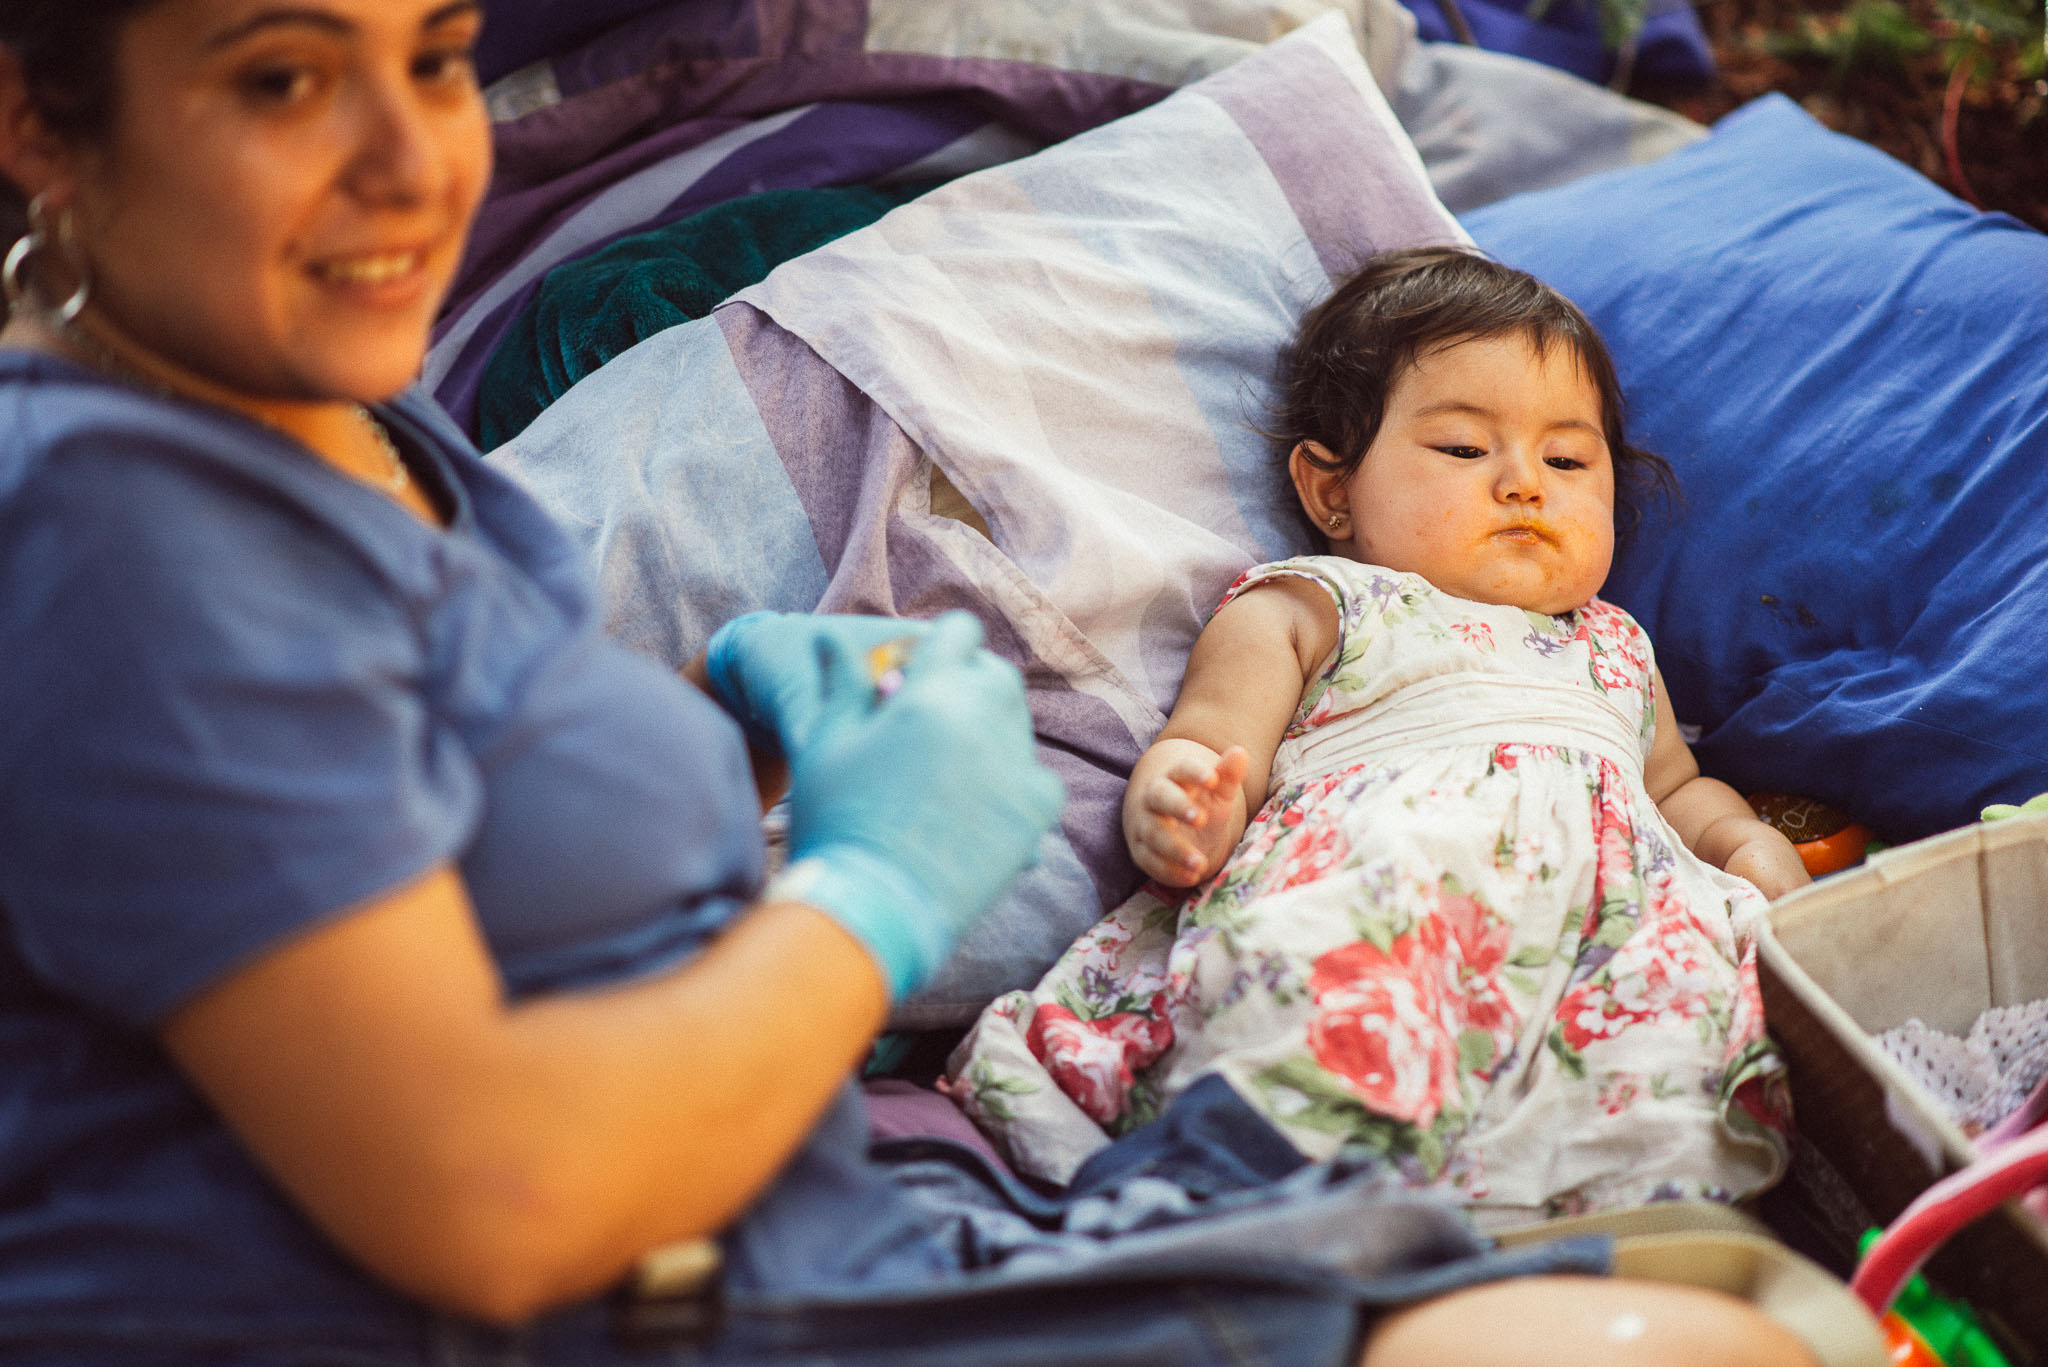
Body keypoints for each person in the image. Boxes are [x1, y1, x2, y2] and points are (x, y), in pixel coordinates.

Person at [0, 6, 1824, 1363]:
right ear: (37, 125)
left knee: (1726, 1303)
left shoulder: (348, 433)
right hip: (650, 1289)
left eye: (432, 56)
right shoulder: (121, 524)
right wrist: (864, 887)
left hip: (806, 1229)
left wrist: (738, 789)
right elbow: (495, 1197)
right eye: (280, 78)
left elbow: (405, 864)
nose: (416, 165)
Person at [950, 247, 1813, 1225]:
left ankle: (1583, 1241)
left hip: (1605, 950)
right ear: (1331, 494)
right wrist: (1185, 796)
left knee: (1676, 1051)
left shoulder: (1615, 644)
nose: (1524, 482)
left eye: (1566, 459)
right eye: (1461, 448)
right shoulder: (1319, 603)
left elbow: (1674, 787)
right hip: (1387, 894)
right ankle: (1255, 1207)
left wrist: (1737, 840)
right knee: (1328, 989)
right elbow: (1209, 737)